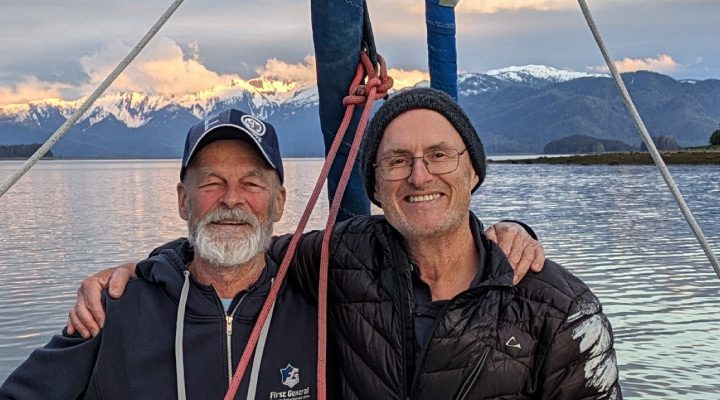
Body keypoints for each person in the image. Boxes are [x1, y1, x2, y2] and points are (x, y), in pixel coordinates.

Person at [67, 88, 621, 399]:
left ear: (473, 171)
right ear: (375, 187)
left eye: (440, 156)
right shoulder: (342, 260)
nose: (420, 176)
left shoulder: (558, 308)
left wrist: (517, 230)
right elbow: (235, 245)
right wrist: (146, 269)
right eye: (397, 161)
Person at [0, 109, 319, 399]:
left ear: (279, 202)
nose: (231, 199)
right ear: (183, 201)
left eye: (251, 183)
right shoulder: (115, 311)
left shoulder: (317, 311)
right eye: (212, 182)